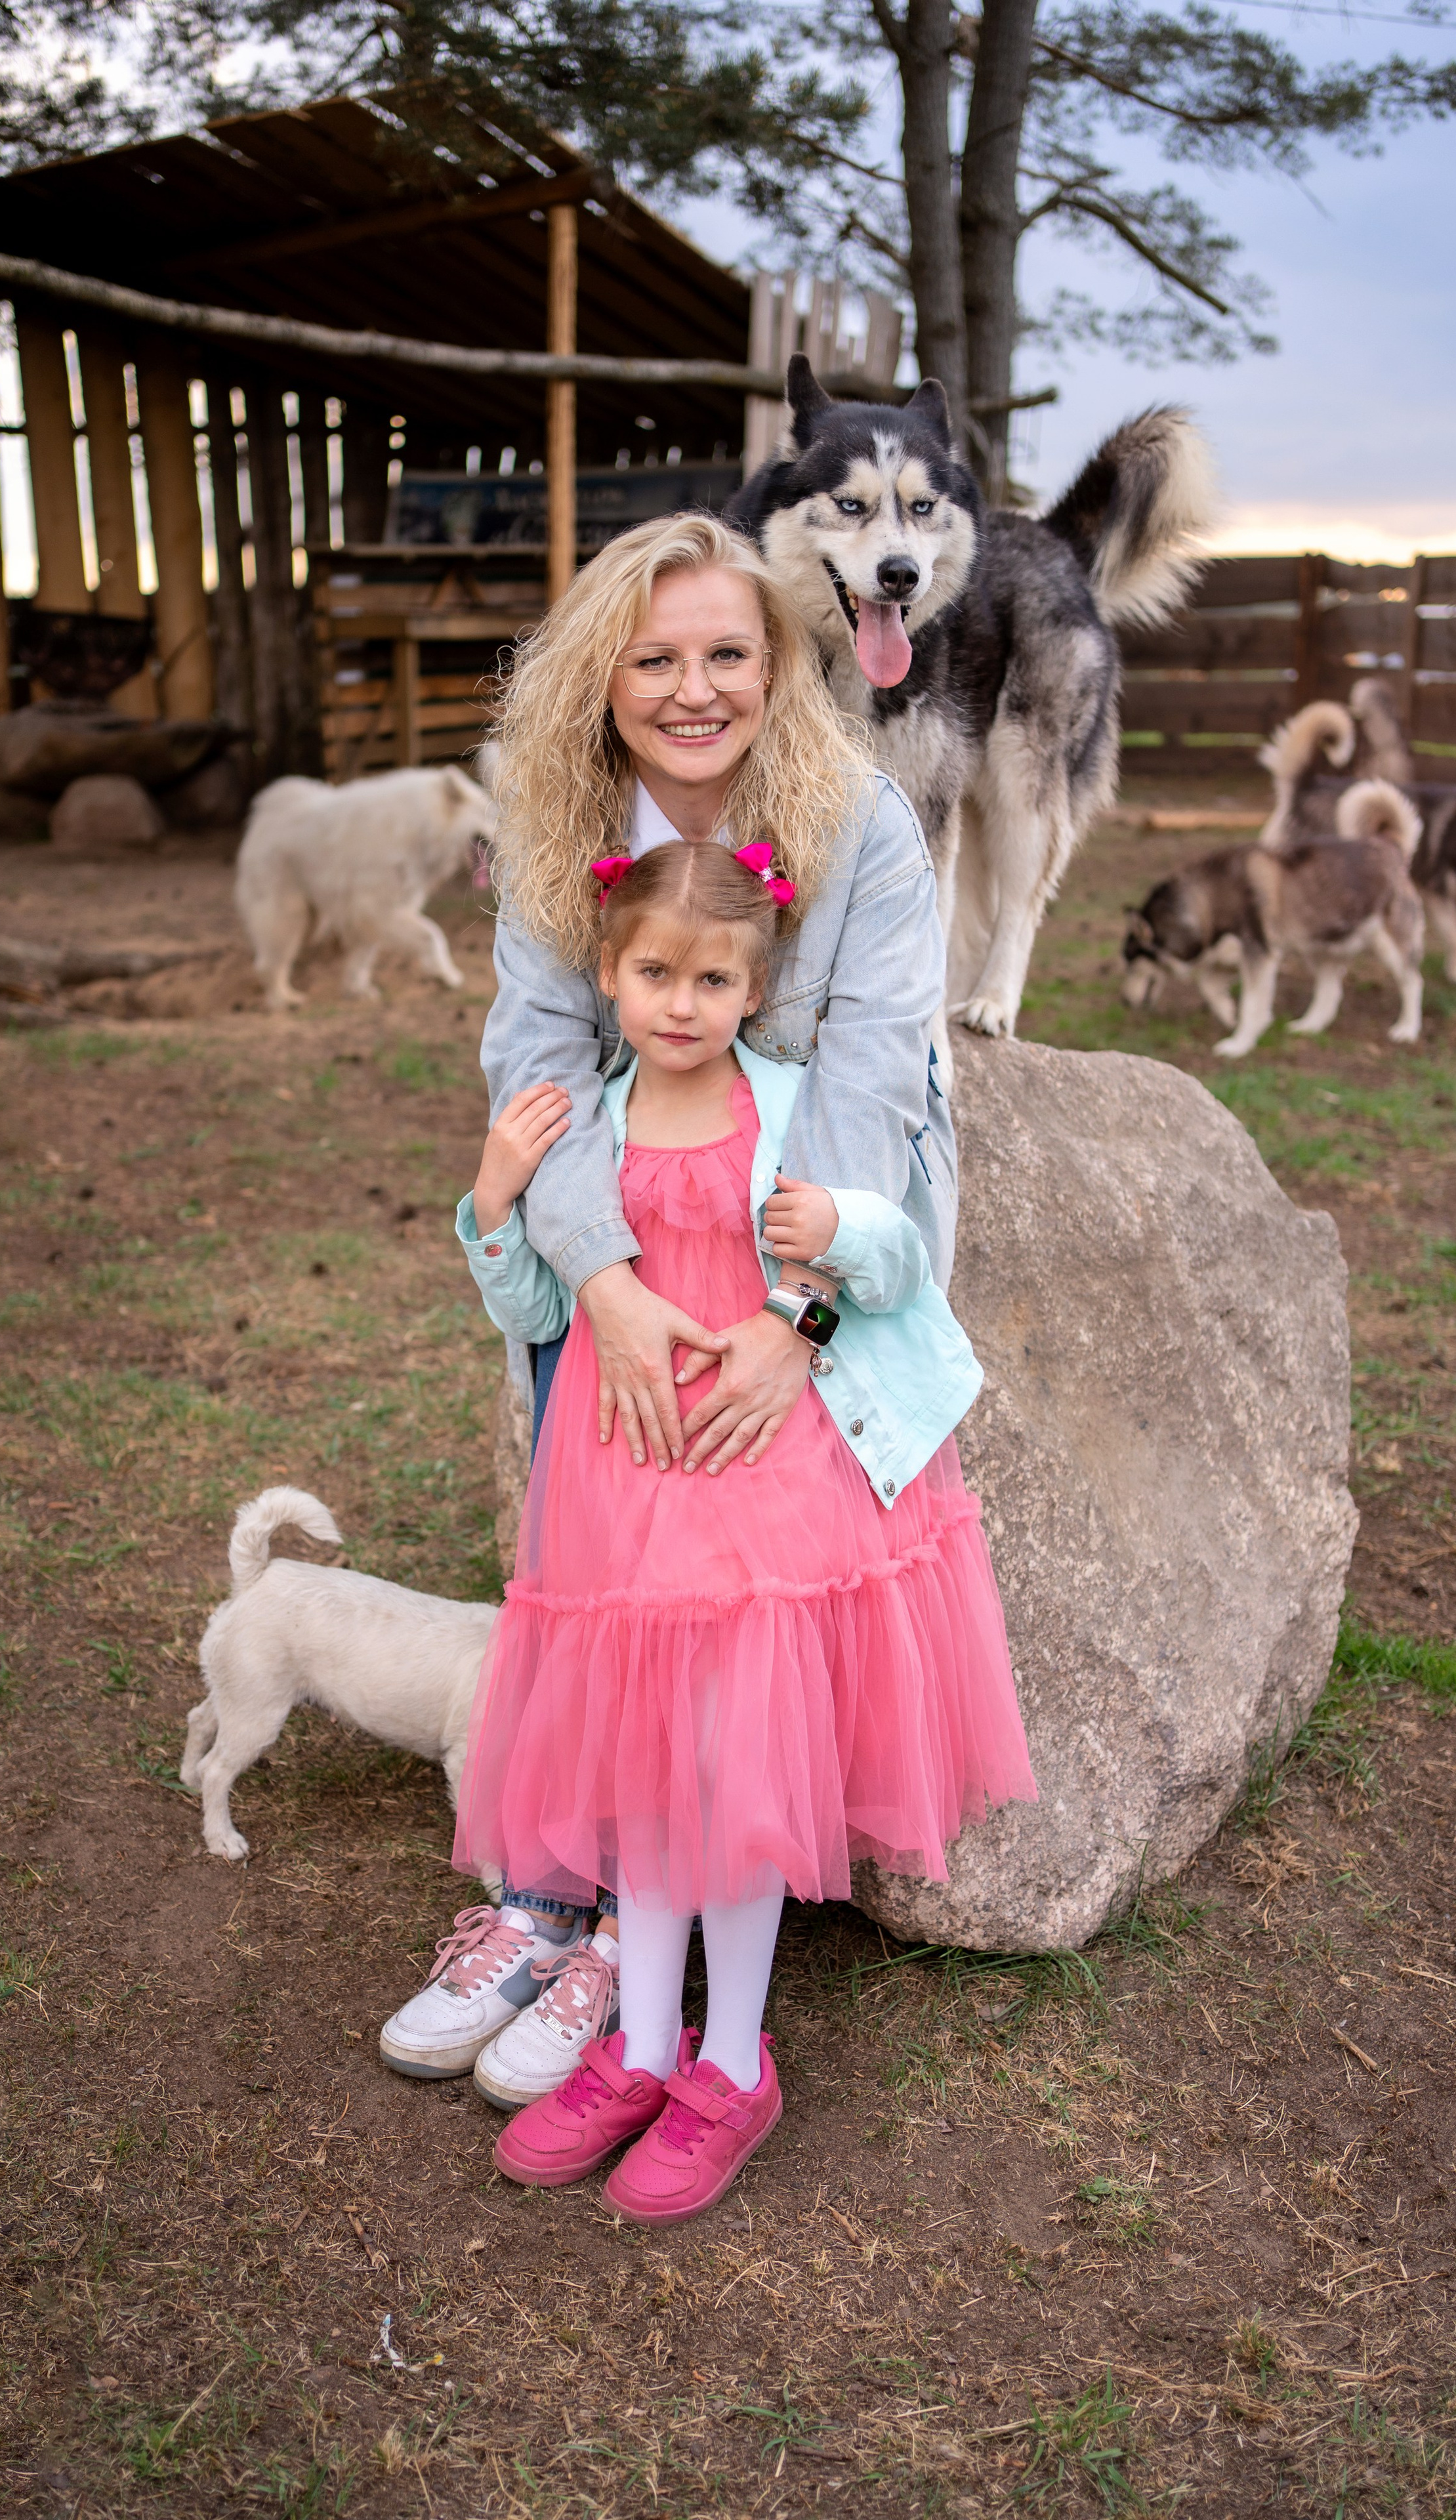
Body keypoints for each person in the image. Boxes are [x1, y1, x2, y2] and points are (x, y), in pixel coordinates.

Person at [378, 511, 961, 2103]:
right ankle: (549, 1901)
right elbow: (538, 1061)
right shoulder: (553, 818)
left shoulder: (860, 825)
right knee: (602, 1580)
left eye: (725, 654)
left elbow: (873, 1078)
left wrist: (798, 1321)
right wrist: (603, 1286)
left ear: (777, 665)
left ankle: (658, 1931)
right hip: (626, 1245)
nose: (692, 690)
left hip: (796, 1246)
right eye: (652, 658)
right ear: (600, 673)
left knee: (736, 1603)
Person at [447, 839, 1035, 2221]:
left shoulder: (788, 1110)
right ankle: (642, 2049)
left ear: (754, 990)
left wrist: (840, 1227)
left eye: (713, 980)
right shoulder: (582, 1127)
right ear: (608, 976)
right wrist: (493, 1199)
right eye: (654, 973)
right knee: (650, 1766)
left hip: (761, 1477)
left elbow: (894, 1264)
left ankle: (729, 2062)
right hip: (625, 1487)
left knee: (733, 1760)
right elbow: (533, 1311)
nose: (681, 1003)